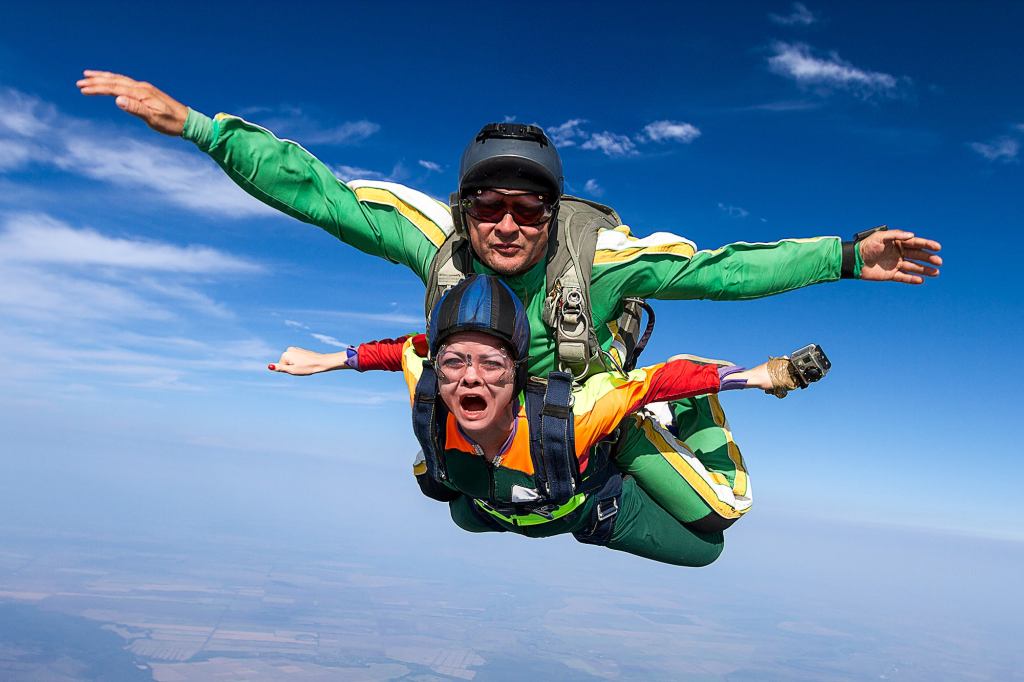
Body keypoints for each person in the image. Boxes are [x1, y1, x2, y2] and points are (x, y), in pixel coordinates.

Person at [76, 71, 942, 530]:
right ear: (462, 209)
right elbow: (321, 196)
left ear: (552, 210)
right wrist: (201, 129)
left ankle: (686, 408)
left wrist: (846, 255)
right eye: (485, 204)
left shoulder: (600, 261)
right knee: (456, 502)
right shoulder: (434, 240)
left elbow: (721, 269)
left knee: (708, 519)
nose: (505, 222)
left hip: (591, 404)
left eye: (528, 205)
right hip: (495, 410)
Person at [277, 275, 819, 566]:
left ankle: (638, 420)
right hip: (501, 502)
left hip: (589, 505)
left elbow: (661, 379)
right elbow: (406, 349)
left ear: (516, 373)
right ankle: (610, 369)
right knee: (447, 497)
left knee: (712, 532)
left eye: (491, 364)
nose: (469, 379)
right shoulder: (426, 382)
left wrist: (765, 375)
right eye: (454, 364)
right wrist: (328, 361)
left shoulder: (574, 417)